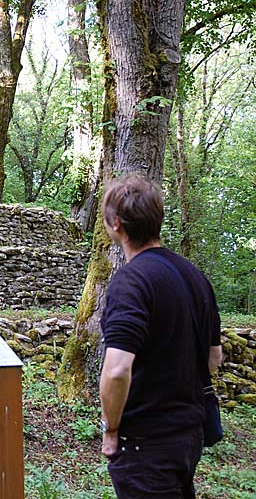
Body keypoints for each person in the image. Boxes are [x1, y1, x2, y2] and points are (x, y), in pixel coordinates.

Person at [98, 174, 224, 499]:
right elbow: (214, 358)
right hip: (189, 435)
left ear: (116, 223)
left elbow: (115, 370)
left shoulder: (131, 282)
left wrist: (111, 430)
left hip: (145, 443)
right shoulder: (194, 276)